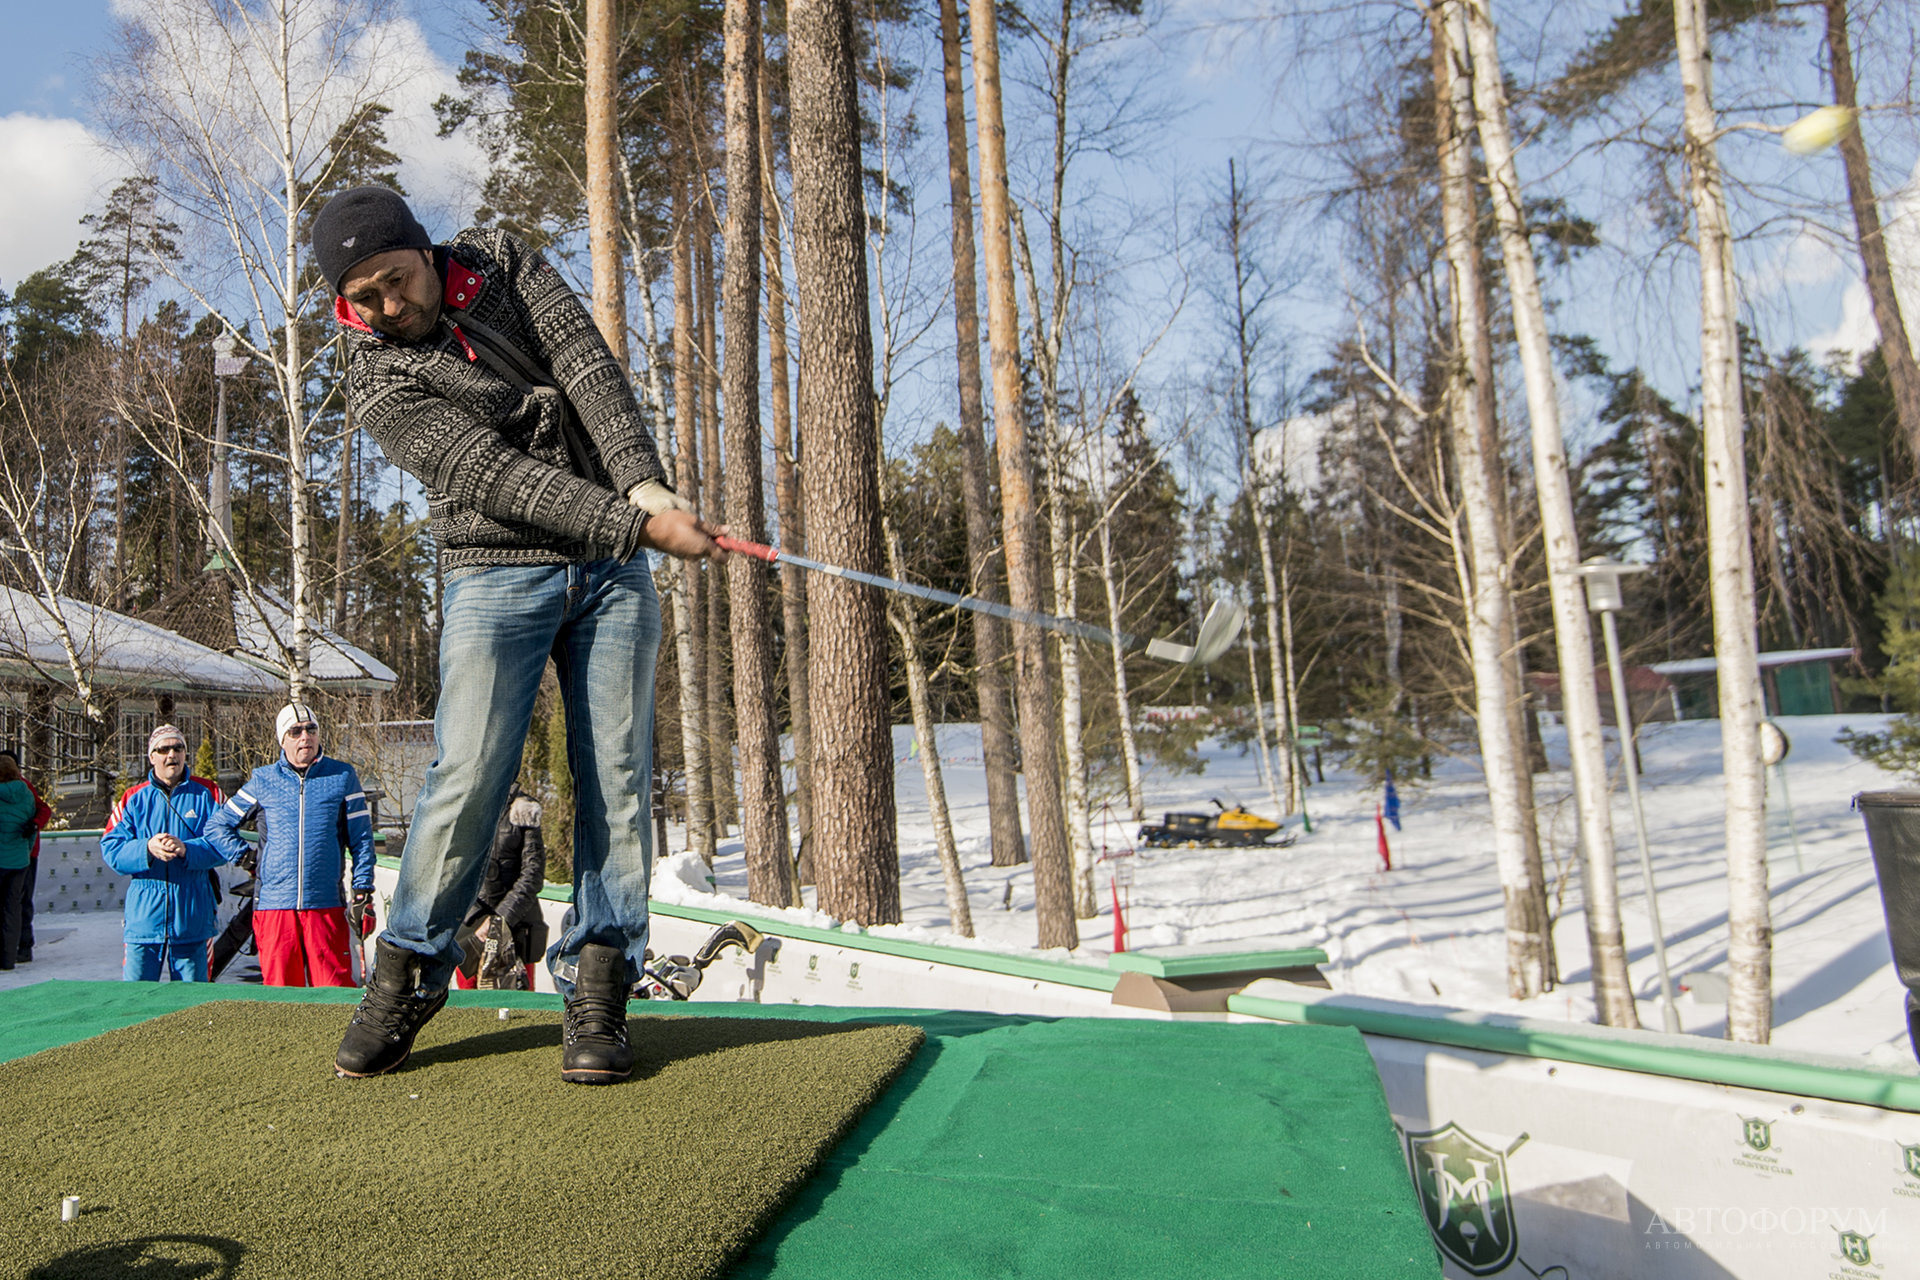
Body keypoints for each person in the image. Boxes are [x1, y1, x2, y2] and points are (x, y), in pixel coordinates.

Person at [310, 185, 723, 1084]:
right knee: (467, 776)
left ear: (427, 251)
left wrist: (645, 486)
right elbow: (489, 474)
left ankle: (600, 980)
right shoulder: (373, 372)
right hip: (496, 572)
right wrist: (632, 524)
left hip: (612, 574)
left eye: (396, 280)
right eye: (363, 298)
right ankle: (410, 972)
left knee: (616, 772)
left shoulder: (505, 260)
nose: (388, 308)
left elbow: (588, 370)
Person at [207, 704, 376, 988]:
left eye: (311, 730)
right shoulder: (263, 780)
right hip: (274, 907)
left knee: (334, 992)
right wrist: (246, 858)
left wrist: (362, 891)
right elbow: (217, 826)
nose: (305, 737)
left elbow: (361, 840)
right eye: (295, 731)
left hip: (325, 904)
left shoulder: (342, 777)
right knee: (282, 996)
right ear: (282, 739)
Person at [98, 725, 233, 982]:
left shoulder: (209, 794)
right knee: (136, 1001)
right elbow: (111, 847)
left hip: (193, 919)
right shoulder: (132, 798)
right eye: (163, 749)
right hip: (144, 921)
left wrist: (188, 849)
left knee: (192, 1005)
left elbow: (227, 841)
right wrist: (146, 848)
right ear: (152, 757)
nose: (171, 755)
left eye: (178, 748)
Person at [454, 785, 548, 991]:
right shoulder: (463, 802)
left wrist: (498, 922)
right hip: (471, 924)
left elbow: (533, 875)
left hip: (516, 923)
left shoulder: (525, 809)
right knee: (469, 1006)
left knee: (517, 1004)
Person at [0, 750, 51, 963]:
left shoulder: (22, 787)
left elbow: (43, 810)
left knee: (19, 902)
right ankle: (17, 950)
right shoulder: (25, 789)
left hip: (17, 854)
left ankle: (23, 945)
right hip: (26, 852)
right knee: (17, 903)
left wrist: (34, 826)